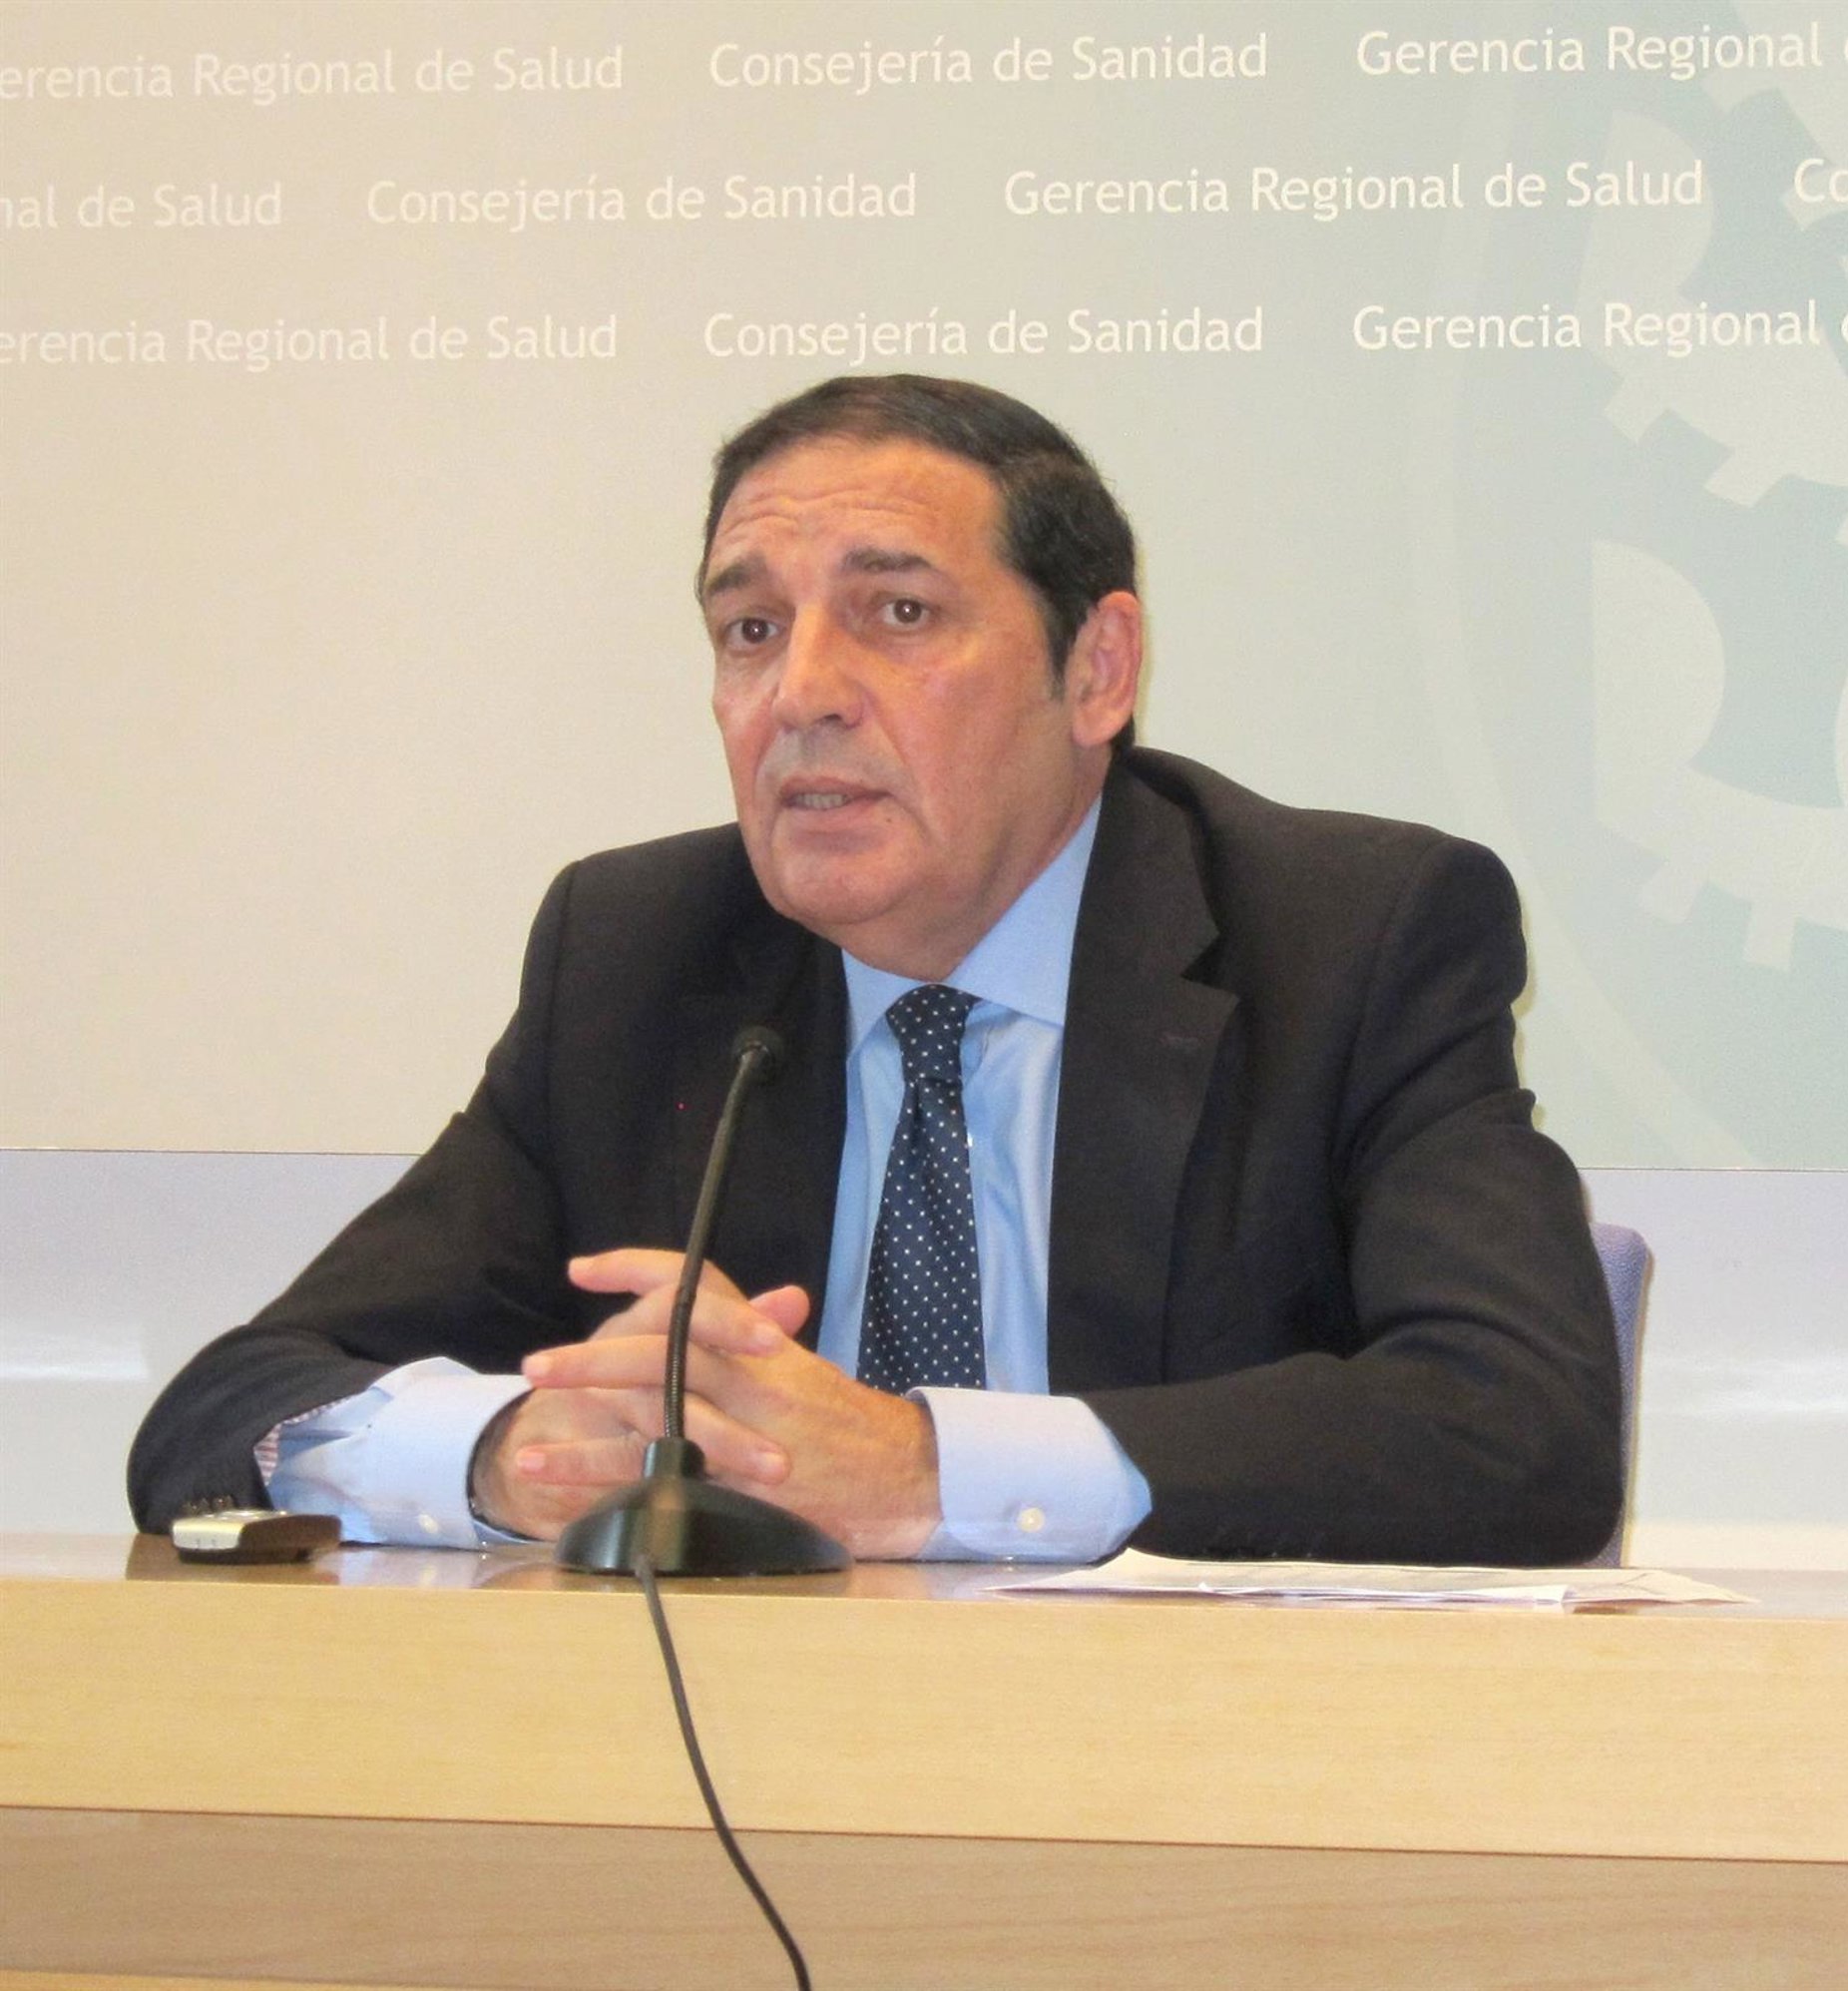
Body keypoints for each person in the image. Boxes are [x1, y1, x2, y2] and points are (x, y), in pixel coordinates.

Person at [129, 374, 1621, 1566]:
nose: (802, 694)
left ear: (1097, 670)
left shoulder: (1351, 934)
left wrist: (920, 1468)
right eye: (750, 630)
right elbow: (231, 1411)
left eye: (899, 614)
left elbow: (1523, 1432)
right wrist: (509, 1454)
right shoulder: (639, 958)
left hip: (1199, 1765)